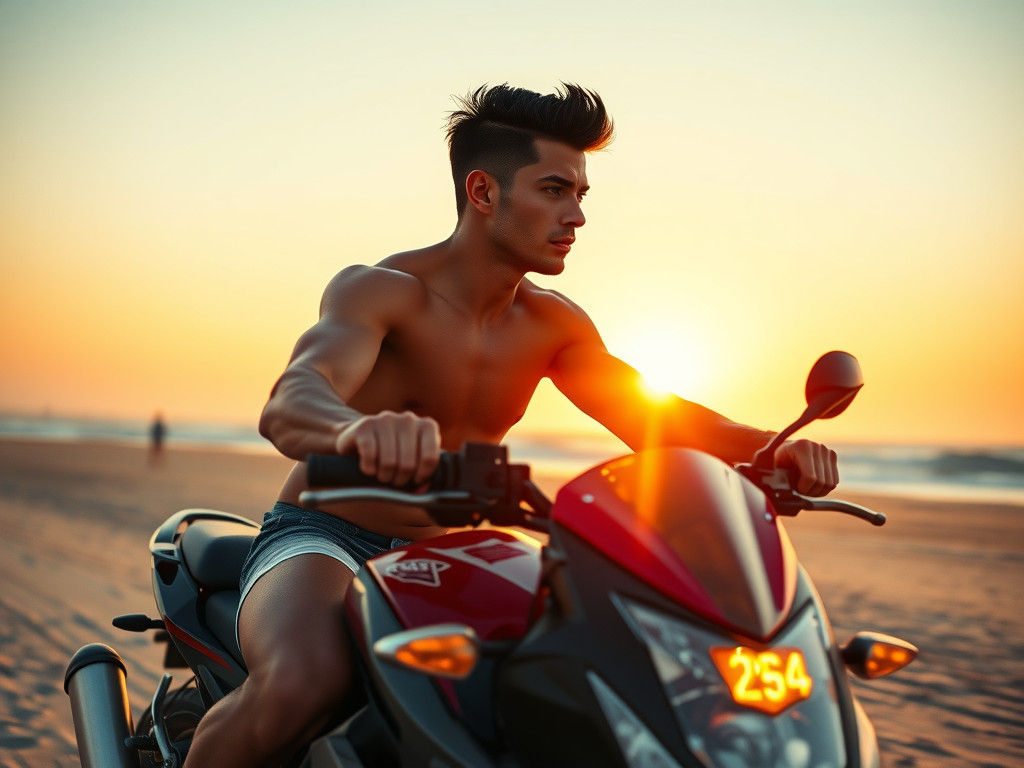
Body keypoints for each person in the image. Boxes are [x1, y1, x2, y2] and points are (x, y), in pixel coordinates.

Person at [183, 83, 839, 766]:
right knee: (304, 682)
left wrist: (773, 450)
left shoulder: (553, 323)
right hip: (329, 537)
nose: (576, 215)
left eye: (582, 194)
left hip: (458, 553)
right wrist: (355, 432)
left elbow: (658, 418)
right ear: (483, 192)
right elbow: (295, 397)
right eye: (555, 190)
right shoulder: (382, 291)